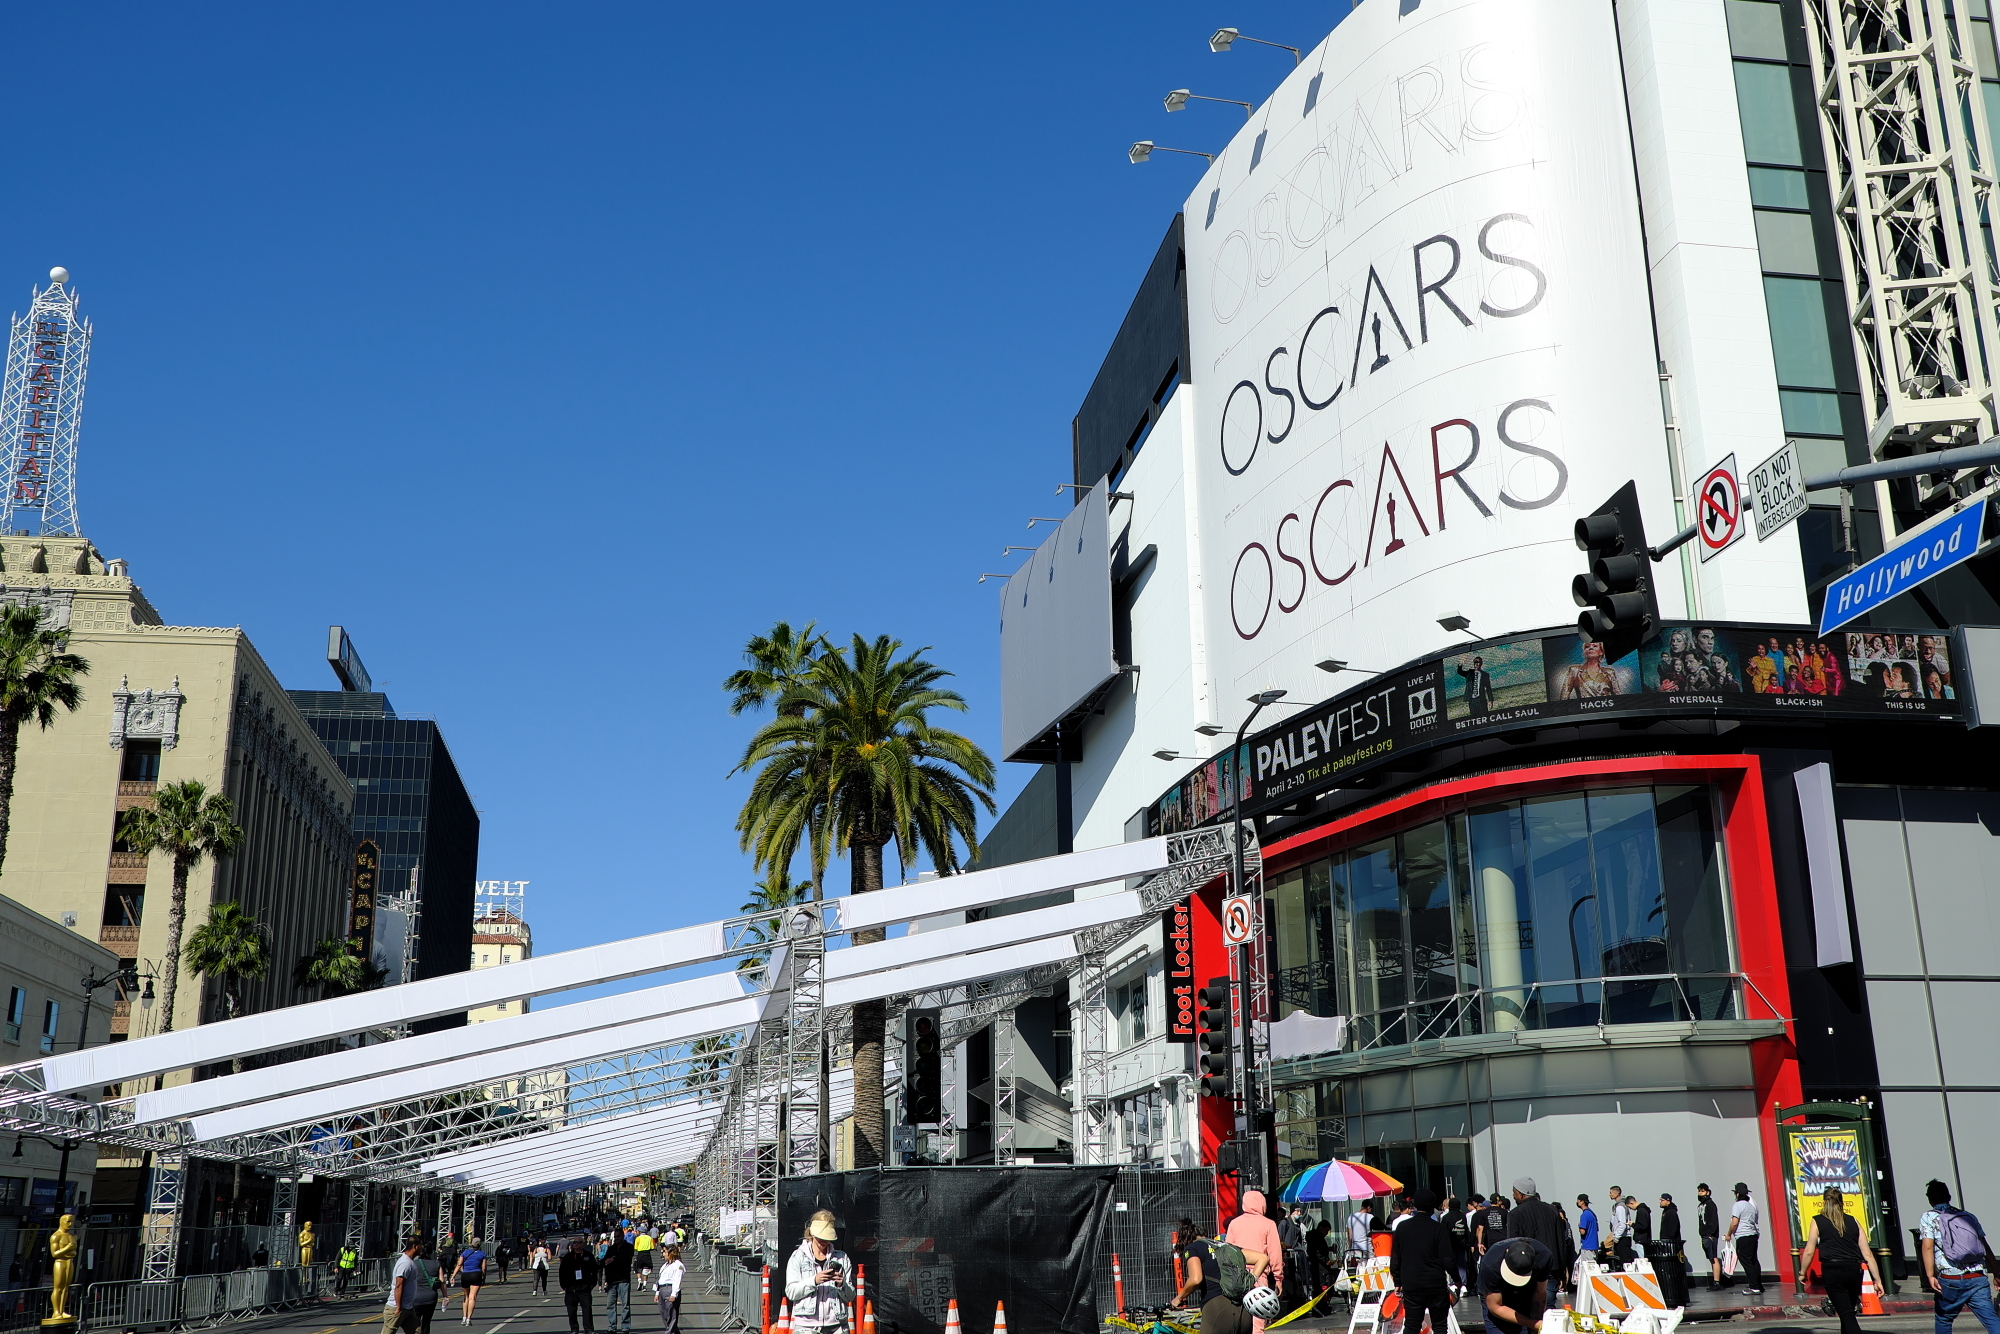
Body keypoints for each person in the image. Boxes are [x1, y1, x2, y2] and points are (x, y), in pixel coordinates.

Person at [1918, 1178, 2000, 1334]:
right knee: (1990, 1319)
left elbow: (1927, 1247)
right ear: (1949, 1197)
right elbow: (1985, 1247)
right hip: (1978, 1277)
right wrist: (1996, 1273)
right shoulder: (1967, 1216)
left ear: (1930, 1199)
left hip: (1951, 1278)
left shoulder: (1928, 1217)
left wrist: (1930, 1275)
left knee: (1944, 1318)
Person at [1798, 1188, 1882, 1334]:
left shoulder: (1817, 1221)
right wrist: (1877, 1279)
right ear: (1841, 1202)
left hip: (1833, 1270)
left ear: (1824, 1202)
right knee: (1846, 1311)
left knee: (1847, 1314)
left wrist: (1802, 1272)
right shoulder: (1853, 1221)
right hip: (1853, 1269)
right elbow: (1867, 1253)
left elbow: (1810, 1250)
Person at [1391, 1188, 1459, 1334]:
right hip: (1435, 1282)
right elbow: (1447, 1259)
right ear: (1432, 1206)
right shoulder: (1438, 1229)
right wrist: (1457, 1279)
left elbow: (1396, 1257)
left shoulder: (1402, 1228)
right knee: (1440, 1326)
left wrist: (1397, 1281)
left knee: (1412, 1325)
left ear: (1415, 1205)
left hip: (1411, 1283)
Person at [1228, 1189, 1289, 1334]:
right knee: (1258, 1319)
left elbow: (1228, 1252)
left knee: (1238, 1317)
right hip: (1258, 1276)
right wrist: (1278, 1279)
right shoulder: (1268, 1224)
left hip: (1237, 1276)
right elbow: (1275, 1254)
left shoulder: (1234, 1224)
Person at [785, 1210, 855, 1334]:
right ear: (812, 1233)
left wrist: (841, 1284)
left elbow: (850, 1296)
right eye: (821, 1237)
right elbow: (791, 1292)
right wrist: (814, 1281)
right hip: (806, 1327)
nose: (824, 1241)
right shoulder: (798, 1257)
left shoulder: (841, 1258)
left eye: (827, 1238)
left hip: (837, 1326)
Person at [1480, 1237, 1556, 1334]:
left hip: (1526, 1292)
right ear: (1506, 1252)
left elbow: (1539, 1292)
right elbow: (1495, 1307)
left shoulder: (1543, 1257)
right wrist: (1532, 1323)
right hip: (1497, 1294)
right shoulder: (1490, 1265)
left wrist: (1537, 1324)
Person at [1505, 1180, 1567, 1266]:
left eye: (1514, 1193)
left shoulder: (1515, 1214)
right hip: (1552, 1267)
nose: (1513, 1196)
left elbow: (1513, 1244)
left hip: (1528, 1268)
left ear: (1521, 1195)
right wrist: (1563, 1269)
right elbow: (1560, 1241)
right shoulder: (1552, 1210)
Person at [1725, 1182, 1762, 1294]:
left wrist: (1728, 1234)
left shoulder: (1737, 1205)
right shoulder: (1751, 1206)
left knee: (1745, 1260)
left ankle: (1754, 1286)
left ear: (1737, 1194)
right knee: (1753, 1260)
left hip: (1743, 1236)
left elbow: (1734, 1222)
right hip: (1753, 1235)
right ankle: (1759, 1284)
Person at [1173, 1218, 1216, 1311]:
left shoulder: (1192, 1248)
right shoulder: (1222, 1245)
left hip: (1214, 1302)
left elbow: (1195, 1279)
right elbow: (1256, 1257)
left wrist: (1179, 1298)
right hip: (1239, 1302)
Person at [559, 1240, 600, 1334]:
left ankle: (589, 1329)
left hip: (584, 1288)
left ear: (583, 1244)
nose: (576, 1244)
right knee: (571, 1311)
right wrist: (564, 1286)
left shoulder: (588, 1256)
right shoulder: (568, 1257)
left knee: (587, 1310)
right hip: (571, 1288)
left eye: (578, 1242)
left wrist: (592, 1284)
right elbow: (562, 1272)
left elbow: (594, 1270)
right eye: (574, 1242)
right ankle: (574, 1329)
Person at [601, 1229, 634, 1334]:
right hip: (612, 1280)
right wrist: (605, 1261)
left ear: (623, 1236)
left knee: (625, 1304)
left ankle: (625, 1326)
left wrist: (614, 1259)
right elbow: (605, 1260)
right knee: (610, 1304)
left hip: (623, 1279)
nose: (616, 1239)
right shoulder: (611, 1248)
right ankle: (612, 1326)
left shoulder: (628, 1247)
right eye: (615, 1237)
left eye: (618, 1236)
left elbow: (626, 1258)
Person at [451, 1236, 490, 1324]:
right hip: (476, 1274)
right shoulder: (482, 1254)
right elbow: (484, 1267)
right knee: (473, 1297)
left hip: (465, 1275)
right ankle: (469, 1319)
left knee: (466, 1297)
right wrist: (484, 1276)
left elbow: (459, 1264)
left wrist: (453, 1276)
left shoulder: (465, 1253)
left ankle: (464, 1317)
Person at [651, 1246, 685, 1334]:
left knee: (671, 1314)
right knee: (664, 1314)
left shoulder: (678, 1265)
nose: (663, 1254)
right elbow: (660, 1279)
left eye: (665, 1252)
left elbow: (677, 1280)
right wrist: (657, 1293)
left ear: (671, 1253)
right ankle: (673, 1331)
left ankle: (669, 1332)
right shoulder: (665, 1265)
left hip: (670, 1289)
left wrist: (674, 1294)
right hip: (662, 1289)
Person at [1696, 1184, 1723, 1290]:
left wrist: (1710, 1234)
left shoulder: (1710, 1204)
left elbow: (1713, 1220)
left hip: (1710, 1235)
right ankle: (1715, 1280)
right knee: (1710, 1258)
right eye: (1699, 1191)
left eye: (1702, 1191)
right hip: (1704, 1235)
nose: (1700, 1193)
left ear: (1708, 1192)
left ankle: (1717, 1282)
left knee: (1713, 1258)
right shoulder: (1700, 1206)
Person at [1607, 1188, 1634, 1265]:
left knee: (1625, 1261)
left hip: (1623, 1238)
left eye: (1611, 1192)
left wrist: (1616, 1237)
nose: (1609, 1194)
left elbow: (1622, 1224)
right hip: (1621, 1237)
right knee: (1621, 1261)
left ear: (1617, 1194)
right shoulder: (1619, 1205)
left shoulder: (1620, 1207)